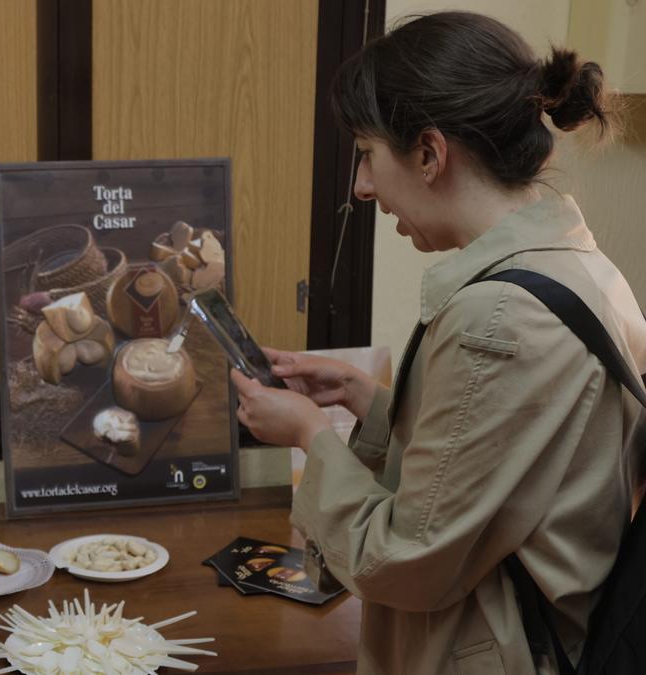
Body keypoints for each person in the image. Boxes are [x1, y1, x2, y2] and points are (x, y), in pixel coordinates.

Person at [233, 11, 646, 674]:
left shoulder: (500, 318)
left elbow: (403, 558)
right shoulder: (576, 265)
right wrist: (370, 402)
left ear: (429, 153)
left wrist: (311, 435)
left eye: (367, 155)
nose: (363, 187)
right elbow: (498, 480)